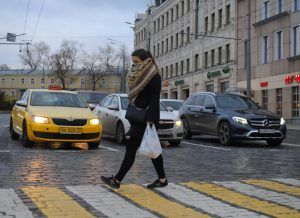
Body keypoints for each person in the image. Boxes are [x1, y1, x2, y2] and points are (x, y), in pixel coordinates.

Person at [101, 49, 168, 189]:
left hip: (147, 117)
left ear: (145, 60)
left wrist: (150, 120)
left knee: (132, 149)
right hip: (140, 116)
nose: (134, 65)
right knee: (152, 149)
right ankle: (162, 179)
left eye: (136, 62)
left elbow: (155, 99)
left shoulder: (153, 75)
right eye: (133, 62)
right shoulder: (140, 74)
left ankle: (117, 180)